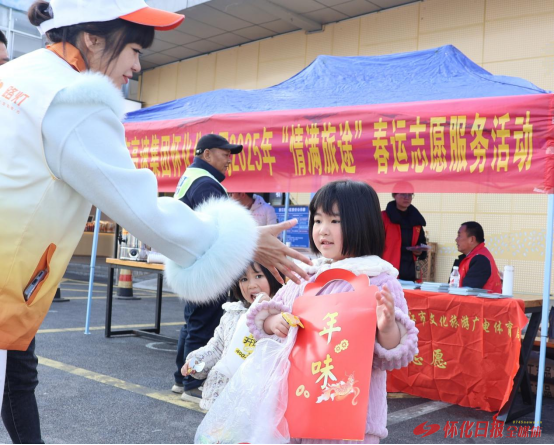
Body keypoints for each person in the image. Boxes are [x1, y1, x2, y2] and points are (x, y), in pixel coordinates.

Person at [0, 1, 310, 443]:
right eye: (134, 49)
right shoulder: (74, 100)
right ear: (92, 38)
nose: (137, 65)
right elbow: (142, 209)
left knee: (18, 379)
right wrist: (238, 239)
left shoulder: (17, 75)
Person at [200, 180, 419, 444]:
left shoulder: (379, 280)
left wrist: (387, 329)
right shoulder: (306, 274)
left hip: (348, 418)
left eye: (335, 221)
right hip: (295, 408)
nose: (323, 230)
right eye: (317, 220)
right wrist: (273, 322)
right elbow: (267, 315)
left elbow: (394, 356)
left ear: (363, 224)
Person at [171, 134, 246, 402]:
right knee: (203, 326)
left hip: (191, 263)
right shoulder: (205, 183)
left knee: (193, 323)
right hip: (206, 265)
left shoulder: (191, 177)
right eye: (225, 154)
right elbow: (216, 230)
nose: (229, 160)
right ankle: (193, 384)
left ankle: (181, 378)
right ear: (206, 154)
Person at [181, 262, 284, 410]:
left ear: (275, 275)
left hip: (257, 402)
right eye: (244, 279)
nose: (251, 285)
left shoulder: (282, 316)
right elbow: (216, 348)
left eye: (258, 276)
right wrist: (197, 361)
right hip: (222, 397)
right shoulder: (233, 314)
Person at [382, 188, 427, 281]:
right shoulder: (383, 218)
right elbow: (375, 243)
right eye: (403, 194)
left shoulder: (416, 219)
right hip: (388, 270)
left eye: (410, 195)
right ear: (394, 195)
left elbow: (422, 242)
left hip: (411, 271)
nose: (407, 197)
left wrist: (420, 250)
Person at [453, 222, 502, 292]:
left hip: (484, 299)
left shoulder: (481, 260)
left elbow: (467, 291)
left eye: (459, 235)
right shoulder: (470, 257)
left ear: (472, 239)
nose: (456, 239)